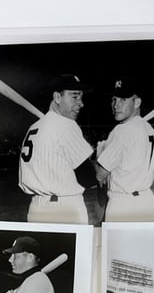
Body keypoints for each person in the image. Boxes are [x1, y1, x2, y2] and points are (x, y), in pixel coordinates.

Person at [18, 74, 96, 224]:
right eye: (75, 97)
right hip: (65, 210)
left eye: (81, 97)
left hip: (36, 209)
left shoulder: (33, 127)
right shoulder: (66, 125)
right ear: (57, 98)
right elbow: (89, 178)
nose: (81, 103)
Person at [95, 77, 154, 222]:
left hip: (124, 205)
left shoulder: (121, 131)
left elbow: (100, 175)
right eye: (114, 100)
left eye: (123, 100)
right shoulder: (150, 130)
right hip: (148, 202)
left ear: (136, 102)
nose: (116, 105)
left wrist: (100, 151)